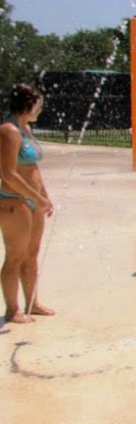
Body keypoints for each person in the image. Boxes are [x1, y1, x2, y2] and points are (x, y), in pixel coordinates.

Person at [0, 84, 54, 324]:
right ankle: (13, 310)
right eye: (39, 106)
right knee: (15, 256)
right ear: (29, 104)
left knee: (31, 254)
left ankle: (32, 302)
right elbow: (9, 173)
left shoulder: (26, 129)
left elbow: (34, 169)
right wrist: (36, 196)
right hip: (15, 200)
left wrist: (45, 196)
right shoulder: (8, 131)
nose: (41, 110)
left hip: (34, 200)